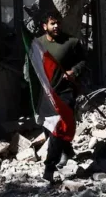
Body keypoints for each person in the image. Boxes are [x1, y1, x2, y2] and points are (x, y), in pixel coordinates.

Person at [36, 9, 86, 183]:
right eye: (52, 23)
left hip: (65, 92)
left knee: (58, 127)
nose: (56, 26)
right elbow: (31, 66)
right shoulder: (38, 45)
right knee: (49, 129)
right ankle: (67, 150)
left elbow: (84, 61)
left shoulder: (71, 42)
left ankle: (49, 167)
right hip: (46, 94)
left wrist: (74, 71)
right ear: (45, 26)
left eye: (58, 23)